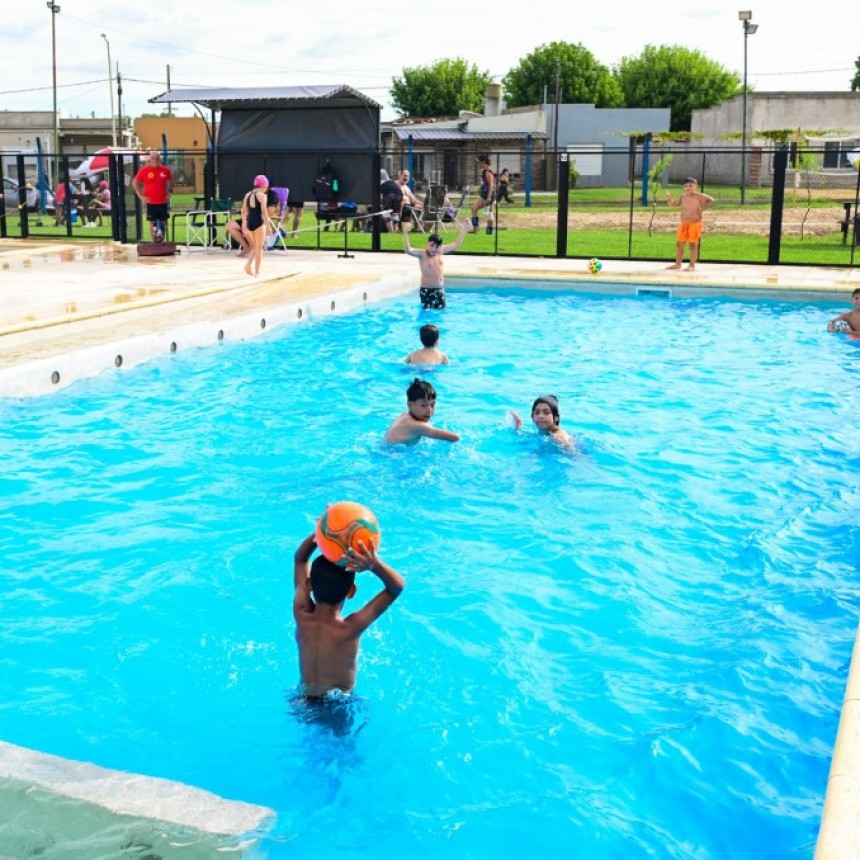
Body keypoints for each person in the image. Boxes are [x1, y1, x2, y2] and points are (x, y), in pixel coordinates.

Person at [293, 531, 405, 698]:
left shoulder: (301, 612)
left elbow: (300, 559)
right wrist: (374, 565)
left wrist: (321, 532)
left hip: (302, 699)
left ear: (309, 584)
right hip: (337, 704)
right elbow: (396, 587)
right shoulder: (350, 628)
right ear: (351, 591)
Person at [404, 221, 468, 310]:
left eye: (437, 246)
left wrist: (464, 229)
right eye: (431, 245)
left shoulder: (440, 251)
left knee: (441, 313)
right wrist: (405, 233)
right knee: (427, 315)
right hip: (427, 291)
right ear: (427, 243)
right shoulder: (422, 254)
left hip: (440, 290)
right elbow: (408, 250)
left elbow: (456, 244)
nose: (434, 249)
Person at [384, 378, 460, 446]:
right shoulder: (417, 426)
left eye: (432, 404)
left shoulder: (404, 415)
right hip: (392, 455)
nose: (429, 410)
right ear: (410, 405)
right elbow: (455, 437)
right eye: (423, 405)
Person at [665, 177, 714, 271]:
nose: (688, 188)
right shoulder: (683, 197)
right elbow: (672, 204)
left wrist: (703, 207)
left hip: (695, 223)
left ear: (696, 186)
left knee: (693, 244)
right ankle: (678, 264)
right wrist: (669, 199)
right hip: (684, 224)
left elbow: (712, 200)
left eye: (690, 186)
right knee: (680, 244)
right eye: (686, 186)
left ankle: (692, 265)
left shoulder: (699, 196)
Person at [226, 184, 281, 257]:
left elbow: (269, 212)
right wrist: (244, 216)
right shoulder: (251, 194)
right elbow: (245, 209)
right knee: (230, 225)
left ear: (266, 186)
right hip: (249, 218)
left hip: (261, 219)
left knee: (247, 230)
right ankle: (246, 247)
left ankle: (254, 250)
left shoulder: (271, 195)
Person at [132, 150, 173, 243]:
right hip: (151, 202)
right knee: (153, 222)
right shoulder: (144, 170)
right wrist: (141, 196)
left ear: (160, 159)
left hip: (163, 202)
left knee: (163, 222)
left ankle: (161, 242)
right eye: (153, 158)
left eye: (157, 158)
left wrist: (170, 192)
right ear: (150, 159)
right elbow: (135, 183)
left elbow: (171, 182)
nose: (155, 160)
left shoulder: (166, 170)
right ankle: (154, 242)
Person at [510, 394, 575, 450]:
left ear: (556, 417)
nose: (540, 416)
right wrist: (518, 428)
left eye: (546, 412)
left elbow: (576, 457)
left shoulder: (558, 438)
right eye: (537, 412)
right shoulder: (545, 434)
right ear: (532, 417)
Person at [240, 174, 272, 276]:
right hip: (259, 223)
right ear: (263, 185)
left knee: (254, 247)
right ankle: (257, 272)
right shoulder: (262, 196)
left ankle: (248, 265)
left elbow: (243, 211)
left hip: (250, 223)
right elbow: (264, 212)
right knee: (259, 249)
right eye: (266, 187)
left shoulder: (247, 195)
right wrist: (269, 226)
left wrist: (244, 223)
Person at [470, 153, 495, 234]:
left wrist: (489, 197)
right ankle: (475, 229)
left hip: (489, 195)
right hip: (483, 194)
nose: (478, 164)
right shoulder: (484, 170)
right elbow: (485, 183)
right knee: (473, 208)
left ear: (483, 162)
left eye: (479, 162)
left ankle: (489, 232)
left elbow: (491, 185)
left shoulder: (488, 172)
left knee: (489, 214)